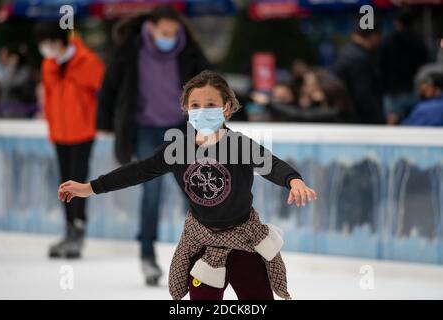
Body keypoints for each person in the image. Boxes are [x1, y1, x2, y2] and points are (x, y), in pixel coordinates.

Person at [57, 70, 317, 300]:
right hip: (202, 243)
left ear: (226, 108)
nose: (202, 110)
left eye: (210, 104)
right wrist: (90, 187)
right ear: (187, 109)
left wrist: (294, 181)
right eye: (195, 105)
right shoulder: (178, 149)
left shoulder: (239, 145)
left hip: (244, 241)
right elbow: (137, 171)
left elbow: (271, 164)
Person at [97, 5, 212, 285]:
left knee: (194, 191)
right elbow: (110, 86)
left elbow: (211, 85)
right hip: (145, 130)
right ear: (150, 28)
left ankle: (203, 256)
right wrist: (104, 123)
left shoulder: (189, 51)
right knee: (152, 193)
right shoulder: (130, 50)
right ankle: (148, 256)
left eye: (173, 32)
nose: (169, 37)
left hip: (181, 130)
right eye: (164, 32)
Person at [34, 22, 105, 259]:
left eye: (49, 43)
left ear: (60, 40)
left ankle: (78, 229)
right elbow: (50, 96)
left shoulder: (88, 61)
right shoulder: (48, 65)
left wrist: (103, 122)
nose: (46, 49)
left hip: (82, 132)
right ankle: (68, 230)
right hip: (59, 133)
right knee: (64, 184)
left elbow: (104, 93)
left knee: (78, 182)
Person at [379, 8, 428, 125]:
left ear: (396, 22)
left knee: (392, 126)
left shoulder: (387, 41)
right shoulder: (419, 42)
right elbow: (424, 66)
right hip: (413, 90)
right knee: (415, 126)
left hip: (393, 93)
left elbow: (380, 66)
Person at [332, 20, 384, 124]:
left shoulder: (347, 52)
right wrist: (378, 120)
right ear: (373, 36)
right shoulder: (358, 58)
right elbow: (363, 94)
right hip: (358, 119)